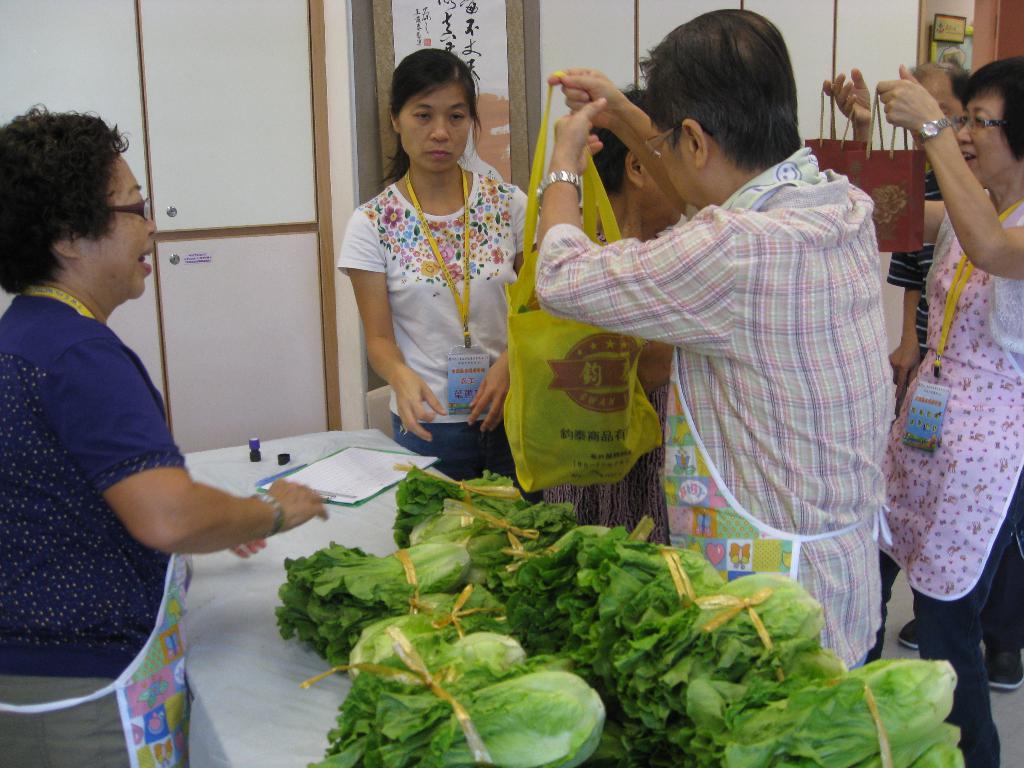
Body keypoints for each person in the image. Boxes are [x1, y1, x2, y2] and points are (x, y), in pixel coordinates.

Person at [533, 9, 893, 668]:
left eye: (669, 143)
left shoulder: (732, 251)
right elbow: (708, 185)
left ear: (694, 139)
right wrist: (624, 115)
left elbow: (559, 276)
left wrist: (562, 166)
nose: (661, 156)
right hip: (844, 572)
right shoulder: (836, 202)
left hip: (770, 602)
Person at [0, 108, 327, 767]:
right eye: (134, 207)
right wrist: (271, 510)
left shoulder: (24, 334)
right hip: (82, 692)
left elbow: (94, 494)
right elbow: (168, 517)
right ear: (70, 236)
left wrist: (223, 521)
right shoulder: (80, 355)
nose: (151, 227)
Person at [868, 56, 1024, 768]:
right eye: (960, 118)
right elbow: (885, 208)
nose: (964, 134)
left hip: (987, 455)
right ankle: (858, 715)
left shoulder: (1002, 223)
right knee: (872, 567)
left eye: (977, 122)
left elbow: (994, 251)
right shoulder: (974, 202)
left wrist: (929, 127)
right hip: (927, 428)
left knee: (945, 621)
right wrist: (860, 127)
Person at [339, 48, 527, 484]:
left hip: (512, 413)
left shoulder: (508, 204)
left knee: (526, 545)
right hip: (430, 426)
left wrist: (510, 365)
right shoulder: (372, 223)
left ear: (471, 122)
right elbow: (380, 340)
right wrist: (400, 377)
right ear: (395, 119)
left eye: (456, 117)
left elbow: (533, 309)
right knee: (438, 547)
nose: (440, 132)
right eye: (423, 116)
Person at [542, 87, 680, 543]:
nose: (688, 175)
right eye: (673, 155)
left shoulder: (682, 247)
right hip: (590, 462)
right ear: (638, 167)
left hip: (658, 469)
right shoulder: (576, 254)